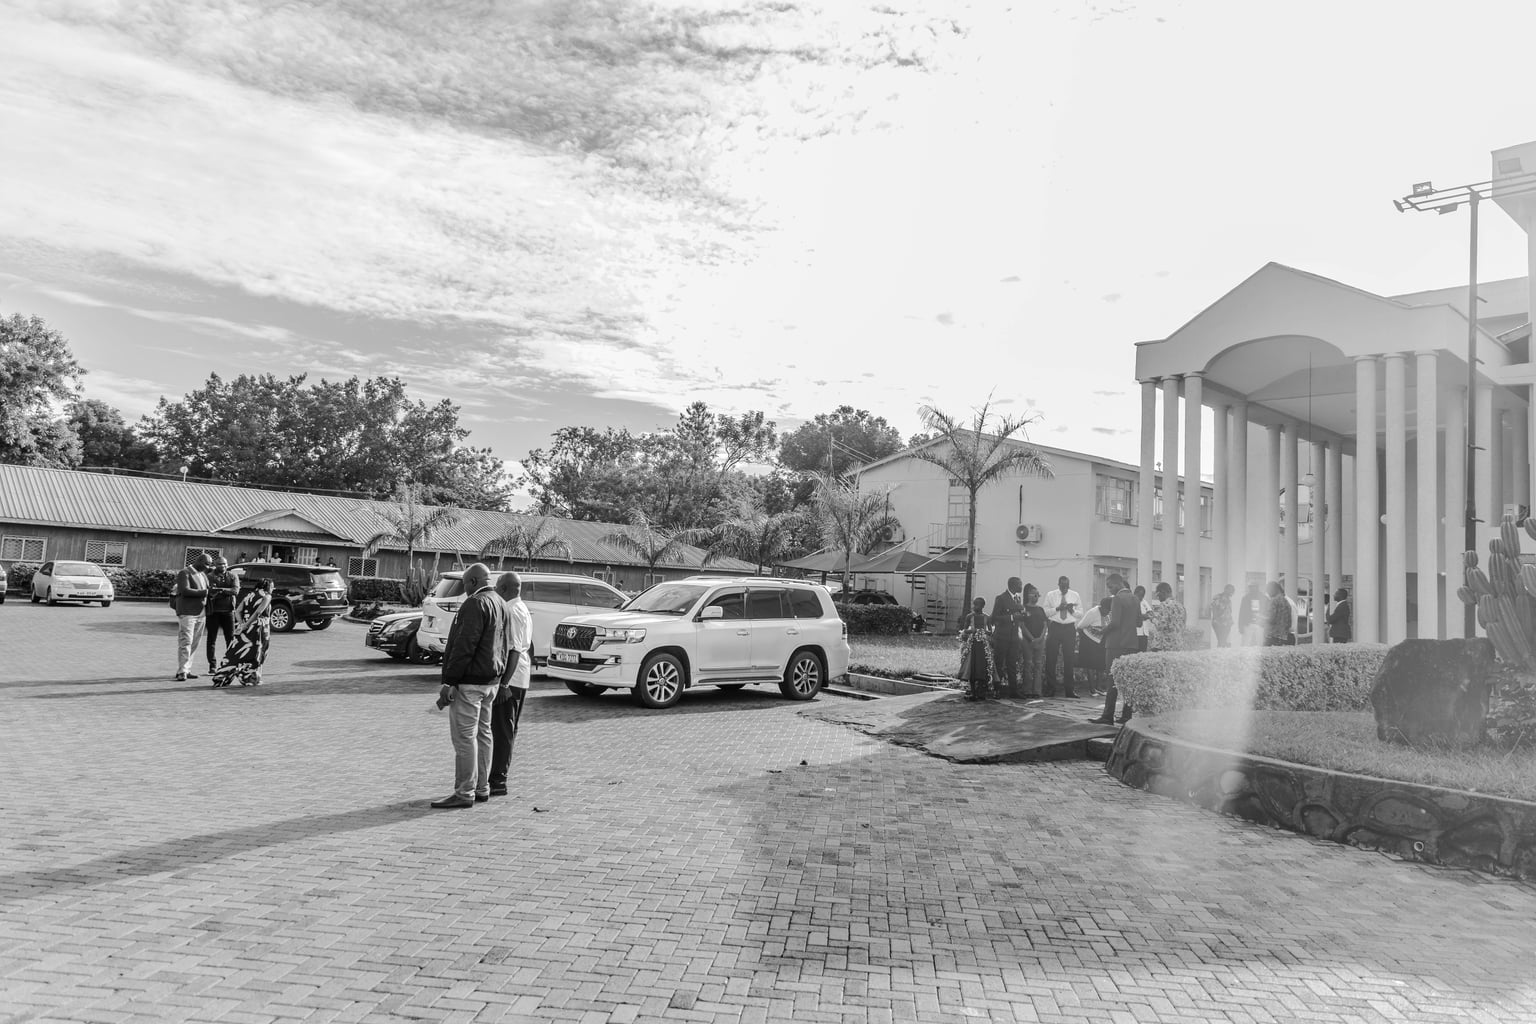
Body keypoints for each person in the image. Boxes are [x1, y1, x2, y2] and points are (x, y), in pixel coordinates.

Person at [432, 563, 510, 810]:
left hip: (470, 682)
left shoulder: (475, 603)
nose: (464, 589)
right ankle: (481, 788)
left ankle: (465, 792)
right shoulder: (501, 603)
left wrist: (450, 681)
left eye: (465, 584)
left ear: (473, 582)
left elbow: (464, 645)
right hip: (491, 681)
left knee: (465, 738)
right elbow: (506, 645)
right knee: (484, 734)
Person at [488, 572, 533, 798]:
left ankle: (498, 780)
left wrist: (504, 684)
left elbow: (514, 649)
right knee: (507, 729)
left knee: (503, 730)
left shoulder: (512, 611)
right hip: (520, 675)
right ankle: (497, 777)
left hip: (512, 679)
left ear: (504, 588)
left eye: (497, 587)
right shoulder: (521, 607)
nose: (495, 591)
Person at [1094, 575, 1142, 725]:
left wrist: (1102, 631)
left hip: (1115, 644)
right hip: (1132, 644)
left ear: (1118, 583)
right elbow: (1139, 623)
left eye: (1110, 586)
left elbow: (1115, 623)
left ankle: (1107, 716)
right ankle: (1126, 716)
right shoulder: (1135, 598)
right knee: (1128, 681)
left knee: (1112, 680)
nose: (1110, 590)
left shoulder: (1117, 599)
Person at [211, 579, 273, 687]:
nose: (273, 589)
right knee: (259, 653)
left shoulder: (249, 595)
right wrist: (247, 624)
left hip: (246, 629)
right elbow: (258, 612)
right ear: (267, 587)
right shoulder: (267, 596)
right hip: (259, 628)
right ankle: (248, 677)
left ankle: (223, 675)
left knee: (238, 651)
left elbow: (238, 611)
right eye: (272, 587)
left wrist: (242, 624)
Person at [172, 554, 211, 681]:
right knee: (186, 641)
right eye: (206, 564)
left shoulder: (203, 575)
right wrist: (206, 593)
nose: (208, 567)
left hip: (201, 612)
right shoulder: (185, 573)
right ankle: (182, 671)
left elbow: (206, 590)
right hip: (188, 612)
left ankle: (187, 669)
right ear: (199, 560)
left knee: (195, 642)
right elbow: (184, 590)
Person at [1042, 575, 1082, 698]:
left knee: (1069, 659)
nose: (1065, 588)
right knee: (1051, 659)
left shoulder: (1075, 595)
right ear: (1058, 584)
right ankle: (1050, 689)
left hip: (1069, 628)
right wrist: (1058, 608)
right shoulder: (1051, 595)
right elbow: (1045, 612)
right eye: (1062, 586)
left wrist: (1072, 611)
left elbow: (1080, 614)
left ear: (1069, 585)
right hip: (1055, 627)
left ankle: (1069, 690)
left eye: (1067, 586)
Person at [989, 577, 1026, 698]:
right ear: (1013, 585)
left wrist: (1022, 615)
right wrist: (1011, 617)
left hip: (1014, 637)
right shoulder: (1001, 598)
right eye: (1020, 584)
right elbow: (994, 618)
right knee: (999, 663)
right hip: (1002, 636)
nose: (1021, 587)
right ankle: (997, 690)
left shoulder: (1018, 598)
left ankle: (1013, 691)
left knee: (1012, 664)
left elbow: (1018, 616)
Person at [204, 556, 240, 675]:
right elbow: (210, 592)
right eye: (220, 564)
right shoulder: (209, 576)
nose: (223, 566)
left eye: (224, 564)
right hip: (213, 612)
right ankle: (212, 666)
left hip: (228, 611)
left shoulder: (232, 576)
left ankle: (230, 663)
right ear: (215, 565)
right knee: (211, 639)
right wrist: (225, 591)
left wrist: (220, 590)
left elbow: (235, 591)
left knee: (230, 638)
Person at [1076, 596, 1113, 695]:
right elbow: (1080, 626)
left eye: (1109, 610)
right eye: (1107, 610)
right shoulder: (1092, 612)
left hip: (1101, 640)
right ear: (1102, 607)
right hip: (1089, 640)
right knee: (1091, 665)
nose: (1107, 612)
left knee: (1101, 664)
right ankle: (1092, 689)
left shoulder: (1108, 614)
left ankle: (1099, 687)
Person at [958, 597, 993, 694]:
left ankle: (981, 690)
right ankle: (972, 689)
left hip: (983, 646)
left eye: (977, 605)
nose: (974, 607)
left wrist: (984, 631)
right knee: (972, 666)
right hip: (972, 644)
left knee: (982, 666)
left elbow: (990, 631)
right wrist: (971, 630)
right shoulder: (969, 616)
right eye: (974, 604)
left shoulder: (986, 617)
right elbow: (965, 629)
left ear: (982, 606)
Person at [1019, 583, 1047, 699]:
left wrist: (1040, 638)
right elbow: (1022, 625)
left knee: (1038, 665)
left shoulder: (1040, 609)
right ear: (1028, 595)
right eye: (1033, 594)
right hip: (1027, 641)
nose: (1036, 596)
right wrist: (1031, 638)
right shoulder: (1023, 608)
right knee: (1028, 664)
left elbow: (1045, 625)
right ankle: (1027, 690)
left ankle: (1037, 691)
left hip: (1040, 641)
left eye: (1037, 594)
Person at [1147, 581, 1186, 652]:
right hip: (1178, 644)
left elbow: (1161, 625)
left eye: (1158, 594)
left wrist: (1152, 619)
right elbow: (1182, 624)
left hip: (1165, 646)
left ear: (1163, 592)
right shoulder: (1181, 606)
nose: (1158, 597)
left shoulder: (1164, 605)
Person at [1264, 582, 1295, 646]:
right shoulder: (1287, 601)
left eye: (1268, 591)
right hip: (1285, 636)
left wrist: (1261, 618)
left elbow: (1271, 619)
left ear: (1273, 590)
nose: (1268, 594)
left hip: (1273, 637)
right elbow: (1289, 622)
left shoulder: (1274, 601)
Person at [1210, 584, 1235, 648]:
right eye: (1230, 590)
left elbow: (1228, 612)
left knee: (1222, 641)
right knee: (1221, 641)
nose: (1232, 592)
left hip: (1227, 623)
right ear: (1225, 589)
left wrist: (1230, 622)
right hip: (1219, 623)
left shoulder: (1229, 600)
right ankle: (1222, 649)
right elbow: (1214, 608)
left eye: (1232, 591)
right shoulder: (1218, 597)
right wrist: (1216, 620)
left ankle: (1223, 649)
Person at [1133, 585, 1151, 652]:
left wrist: (1142, 616)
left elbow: (1150, 613)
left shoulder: (1144, 601)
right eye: (1139, 595)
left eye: (1142, 595)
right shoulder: (1132, 602)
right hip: (1136, 633)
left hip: (1144, 633)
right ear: (1135, 593)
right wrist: (1143, 616)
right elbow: (1133, 616)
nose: (1141, 597)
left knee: (1143, 654)